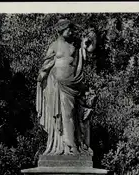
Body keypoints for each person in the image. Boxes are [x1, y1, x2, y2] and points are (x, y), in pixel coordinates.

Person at [36, 19, 96, 155]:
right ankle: (70, 144)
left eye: (71, 29)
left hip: (72, 84)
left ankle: (72, 143)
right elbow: (47, 63)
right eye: (69, 29)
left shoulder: (73, 47)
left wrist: (84, 45)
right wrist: (42, 76)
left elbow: (80, 61)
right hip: (57, 84)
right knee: (66, 114)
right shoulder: (54, 46)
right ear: (61, 30)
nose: (71, 31)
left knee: (73, 113)